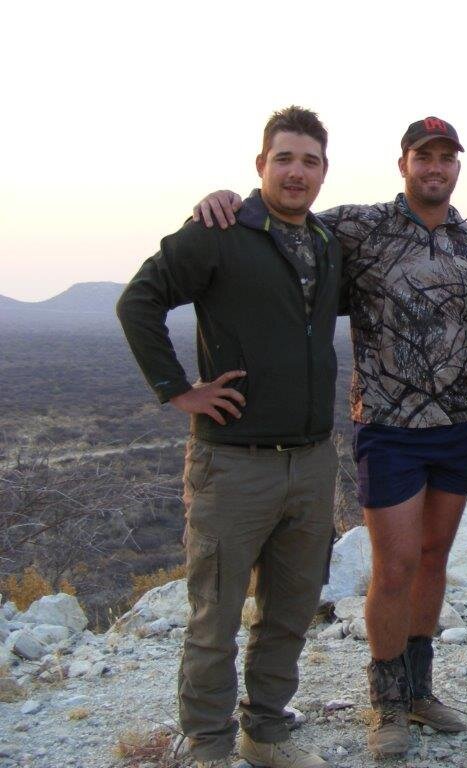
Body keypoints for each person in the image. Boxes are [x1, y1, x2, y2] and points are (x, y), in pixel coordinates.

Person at [192, 117, 467, 758]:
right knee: (395, 567)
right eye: (423, 156)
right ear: (404, 163)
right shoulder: (356, 227)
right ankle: (383, 703)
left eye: (446, 158)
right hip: (387, 425)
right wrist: (227, 200)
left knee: (434, 560)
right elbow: (281, 221)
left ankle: (417, 691)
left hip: (461, 422)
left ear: (457, 166)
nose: (435, 167)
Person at [117, 106, 341, 768]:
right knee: (215, 617)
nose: (296, 172)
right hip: (232, 463)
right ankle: (210, 746)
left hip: (311, 460)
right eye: (284, 158)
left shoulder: (327, 244)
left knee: (290, 610)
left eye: (309, 161)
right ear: (260, 165)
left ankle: (265, 730)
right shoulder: (218, 232)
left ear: (324, 171)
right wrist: (177, 389)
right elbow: (139, 301)